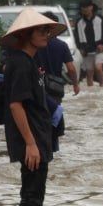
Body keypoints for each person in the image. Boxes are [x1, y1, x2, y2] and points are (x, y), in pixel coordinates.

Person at [0, 8, 66, 206]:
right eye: (41, 30)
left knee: (34, 196)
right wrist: (30, 143)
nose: (46, 34)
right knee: (32, 198)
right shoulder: (19, 64)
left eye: (47, 30)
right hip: (32, 140)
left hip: (38, 136)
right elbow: (15, 105)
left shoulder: (30, 61)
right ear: (27, 34)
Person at [38, 10, 79, 147]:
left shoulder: (35, 44)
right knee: (54, 117)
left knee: (38, 118)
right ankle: (53, 147)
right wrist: (75, 84)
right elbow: (71, 69)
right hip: (55, 88)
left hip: (38, 86)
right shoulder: (62, 45)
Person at [72, 0, 103, 87]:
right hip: (87, 50)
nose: (85, 9)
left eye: (87, 7)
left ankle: (102, 86)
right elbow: (77, 38)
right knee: (89, 73)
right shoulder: (79, 22)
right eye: (83, 7)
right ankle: (91, 91)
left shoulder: (100, 19)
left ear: (92, 7)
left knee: (98, 67)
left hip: (99, 49)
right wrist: (80, 48)